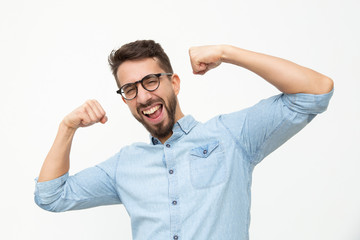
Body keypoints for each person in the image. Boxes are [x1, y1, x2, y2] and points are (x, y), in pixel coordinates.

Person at [34, 40, 334, 240]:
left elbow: (316, 92)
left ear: (174, 83)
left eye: (150, 81)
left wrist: (227, 53)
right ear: (125, 100)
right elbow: (51, 196)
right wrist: (67, 127)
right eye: (130, 89)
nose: (143, 96)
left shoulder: (230, 136)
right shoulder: (124, 165)